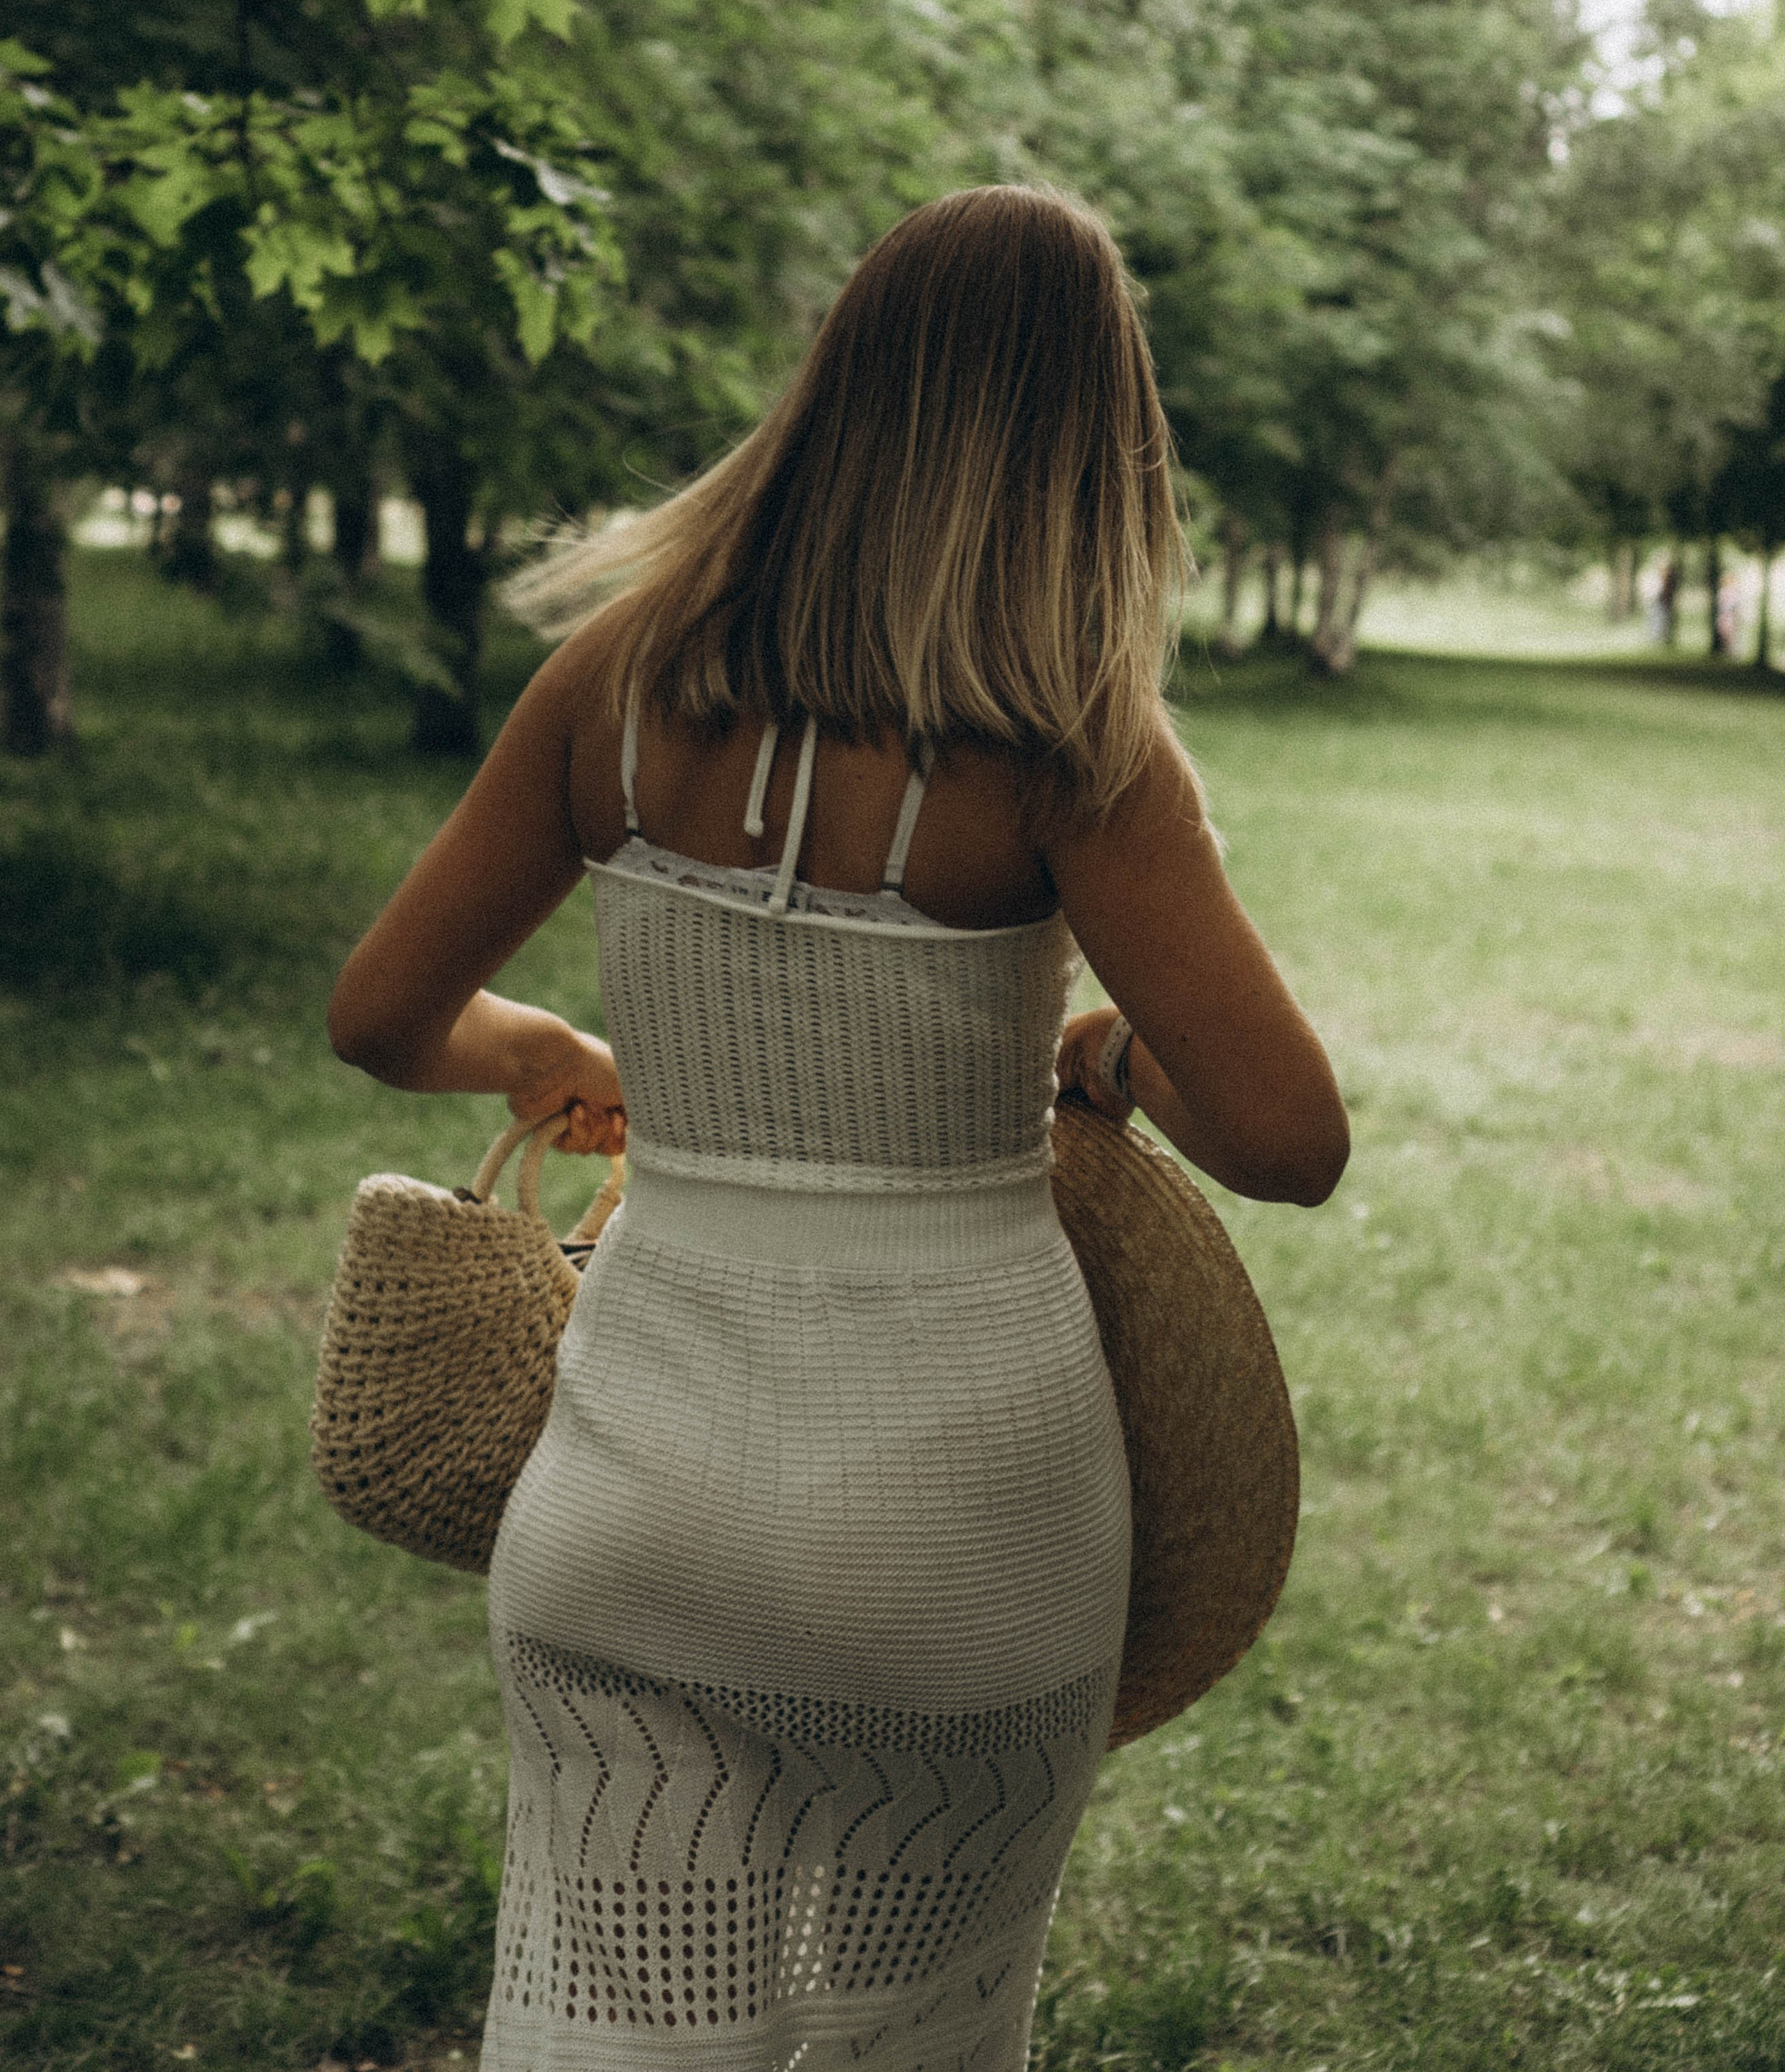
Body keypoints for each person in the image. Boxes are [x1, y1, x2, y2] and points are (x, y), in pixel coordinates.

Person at [328, 185, 1349, 2072]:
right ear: (1091, 447)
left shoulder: (612, 686)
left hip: (627, 1518)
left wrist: (550, 1041)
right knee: (913, 2042)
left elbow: (382, 1015)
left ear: (835, 388)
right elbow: (1289, 1135)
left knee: (615, 2033)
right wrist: (1110, 1061)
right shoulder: (1071, 747)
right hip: (962, 1539)